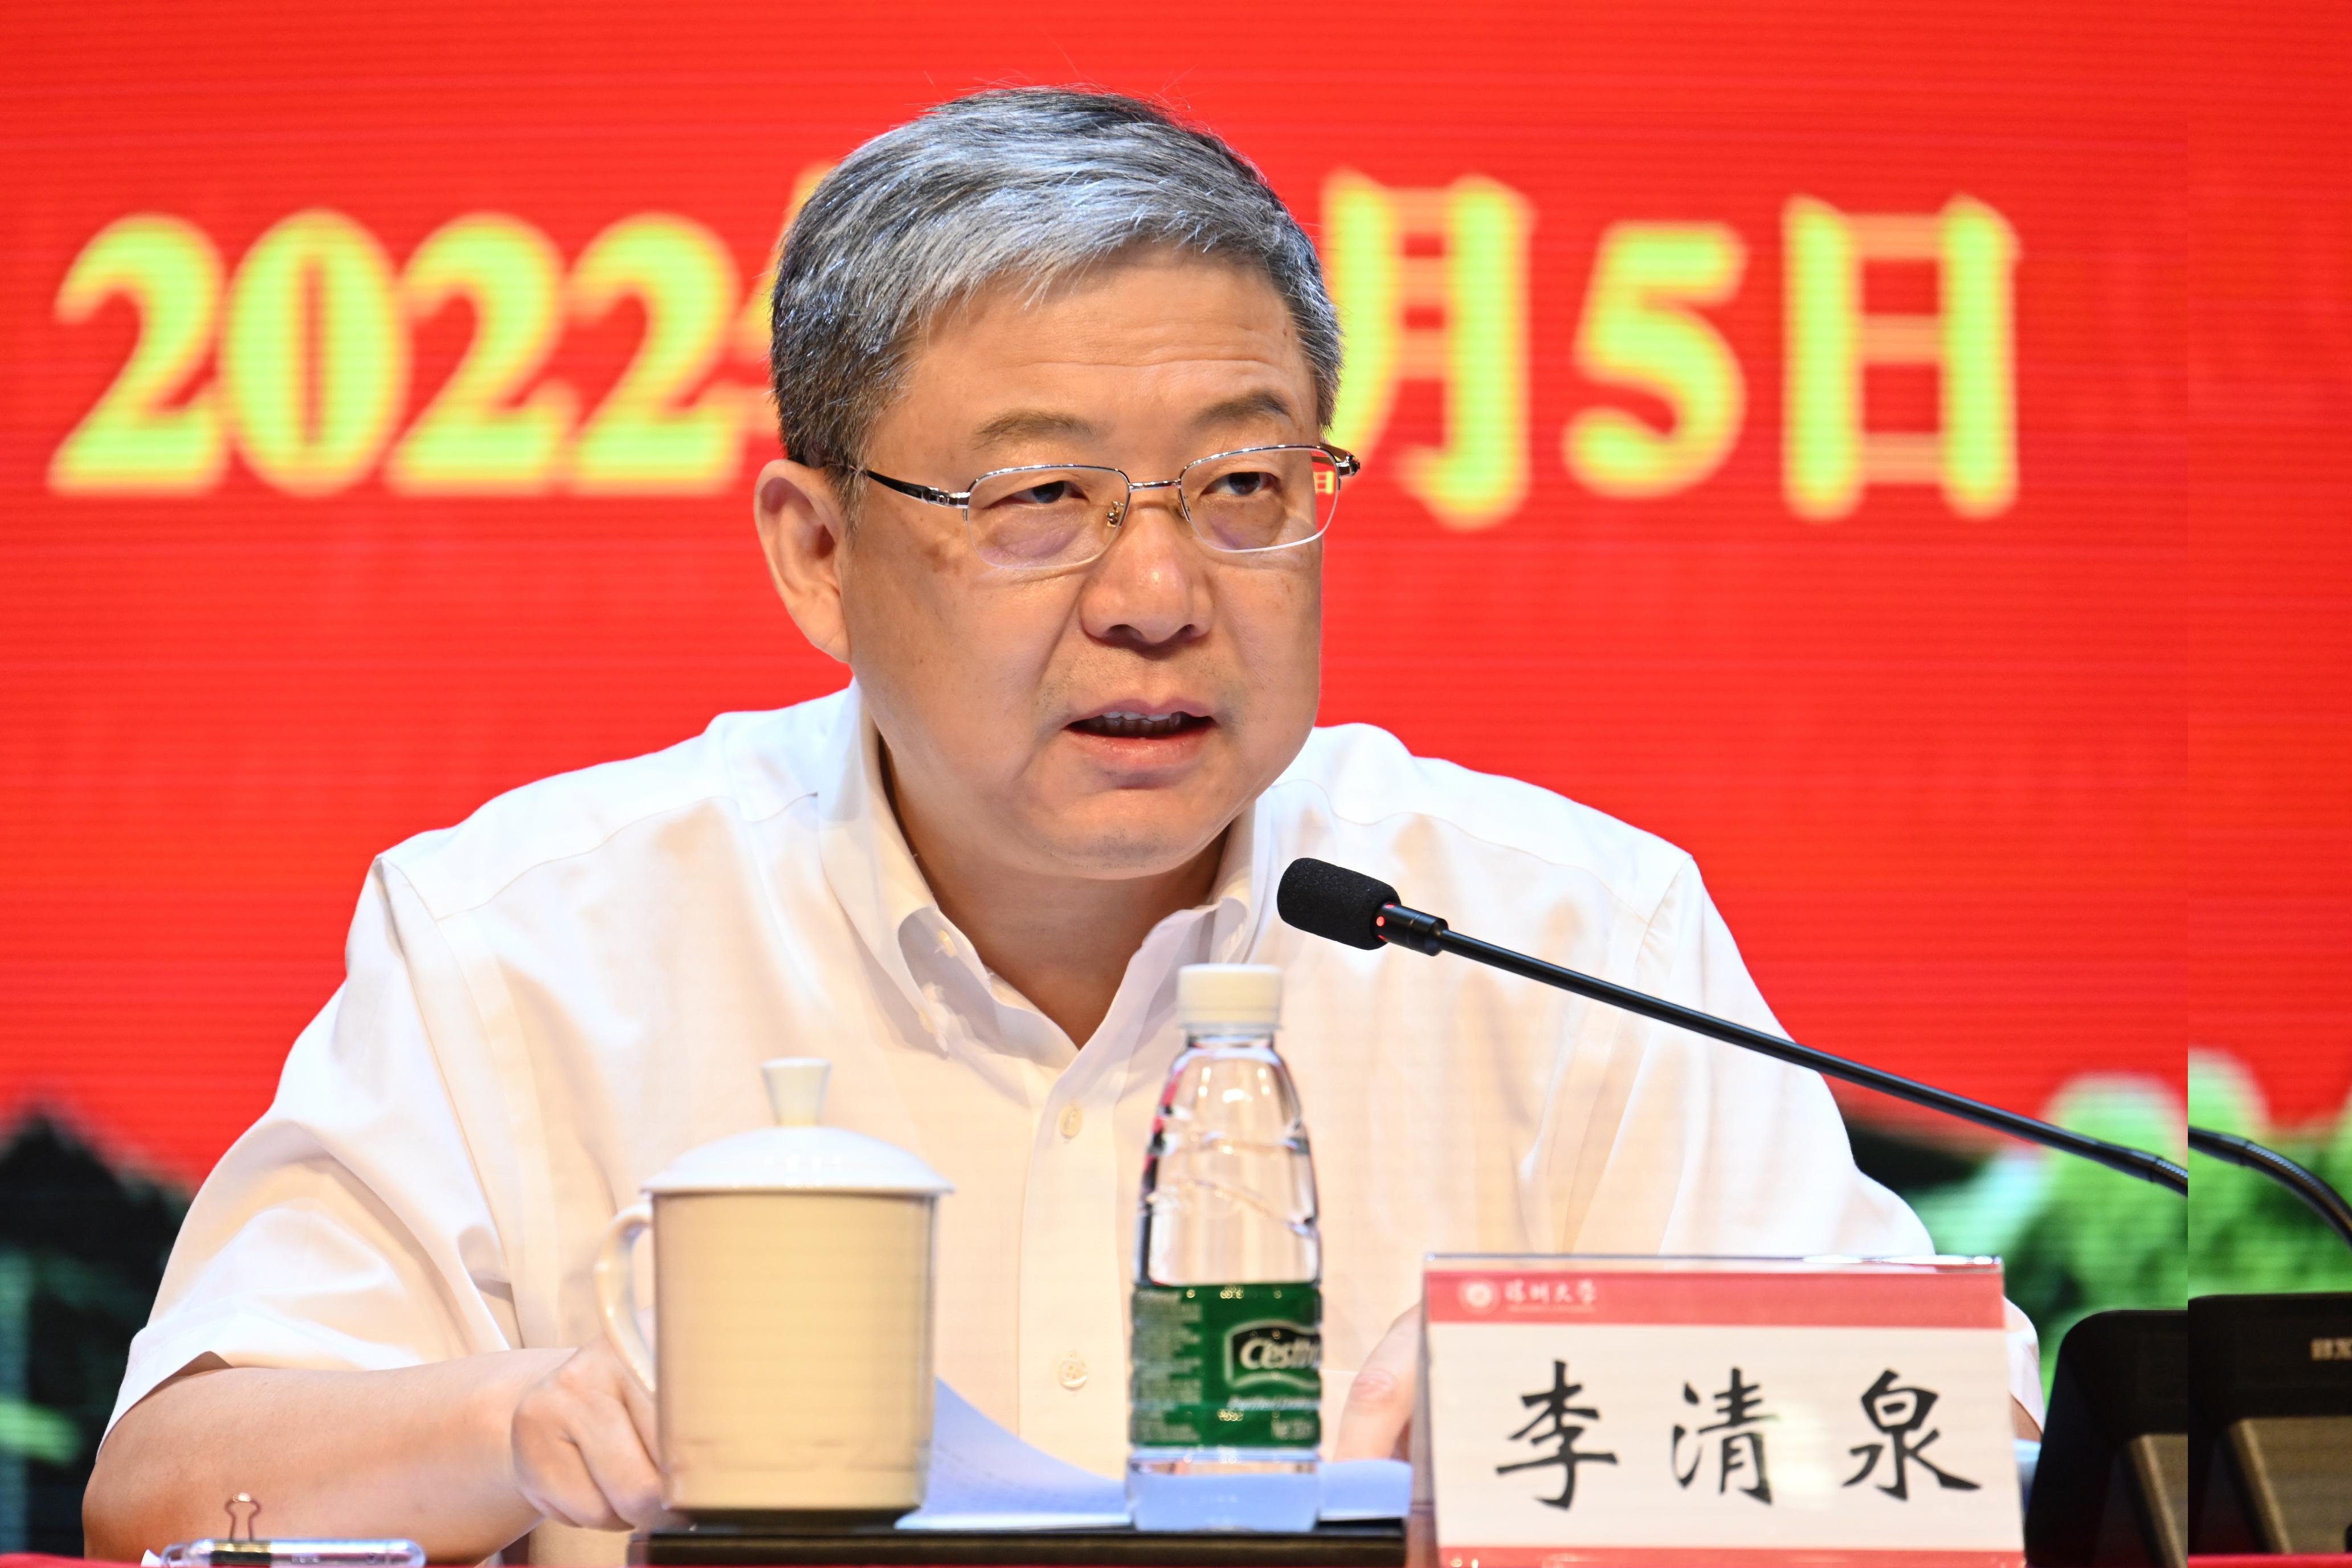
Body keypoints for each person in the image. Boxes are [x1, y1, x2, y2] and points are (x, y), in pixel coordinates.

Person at [84, 87, 2041, 1565]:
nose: (1160, 594)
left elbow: (1967, 1444)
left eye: (1244, 487)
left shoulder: (1565, 930)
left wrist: (1556, 1421)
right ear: (818, 551)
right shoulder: (527, 937)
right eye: (1042, 505)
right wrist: (525, 1428)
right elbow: (165, 1487)